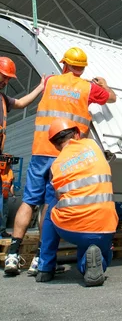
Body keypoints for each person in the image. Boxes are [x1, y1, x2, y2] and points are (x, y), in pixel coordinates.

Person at [5, 47, 116, 276]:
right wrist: (104, 85)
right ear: (82, 68)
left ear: (64, 64)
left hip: (40, 152)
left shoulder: (51, 82)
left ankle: (13, 254)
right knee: (50, 204)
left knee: (28, 201)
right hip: (63, 156)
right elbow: (112, 99)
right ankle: (40, 259)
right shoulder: (88, 87)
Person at [36, 118, 118, 287]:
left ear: (55, 144)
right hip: (106, 227)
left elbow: (57, 197)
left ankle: (45, 267)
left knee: (51, 208)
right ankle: (94, 262)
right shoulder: (94, 146)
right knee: (97, 253)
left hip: (74, 229)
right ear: (77, 134)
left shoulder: (56, 165)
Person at [0, 56, 45, 235]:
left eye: (9, 78)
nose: (6, 81)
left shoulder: (3, 98)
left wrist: (40, 87)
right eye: (4, 76)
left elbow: (20, 103)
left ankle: (1, 230)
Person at [0, 155, 15, 237]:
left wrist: (13, 195)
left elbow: (11, 185)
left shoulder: (10, 172)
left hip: (4, 197)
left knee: (4, 214)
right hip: (0, 196)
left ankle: (2, 231)